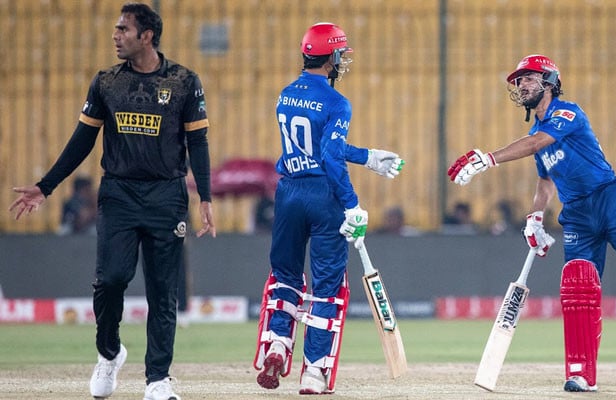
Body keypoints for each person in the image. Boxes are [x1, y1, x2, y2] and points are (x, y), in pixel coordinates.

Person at [447, 54, 616, 392]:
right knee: (578, 284)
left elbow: (537, 144)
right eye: (519, 81)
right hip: (577, 213)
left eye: (529, 78)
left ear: (549, 82)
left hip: (609, 199)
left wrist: (488, 158)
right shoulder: (535, 132)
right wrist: (536, 216)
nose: (521, 85)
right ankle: (581, 372)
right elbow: (546, 178)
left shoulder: (568, 113)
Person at [9, 3, 216, 399]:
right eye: (116, 29)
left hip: (167, 197)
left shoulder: (183, 81)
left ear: (147, 36)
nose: (116, 35)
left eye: (124, 29)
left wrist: (205, 197)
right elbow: (82, 140)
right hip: (119, 194)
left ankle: (158, 380)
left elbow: (199, 142)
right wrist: (46, 186)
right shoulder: (106, 82)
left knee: (163, 291)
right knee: (110, 280)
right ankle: (109, 353)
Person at [253, 22, 403, 395]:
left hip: (288, 193)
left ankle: (278, 344)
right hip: (324, 197)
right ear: (331, 57)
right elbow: (330, 156)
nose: (342, 61)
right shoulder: (337, 102)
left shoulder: (286, 95)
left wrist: (368, 156)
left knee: (285, 277)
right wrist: (351, 204)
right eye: (341, 55)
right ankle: (313, 373)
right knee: (327, 288)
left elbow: (319, 146)